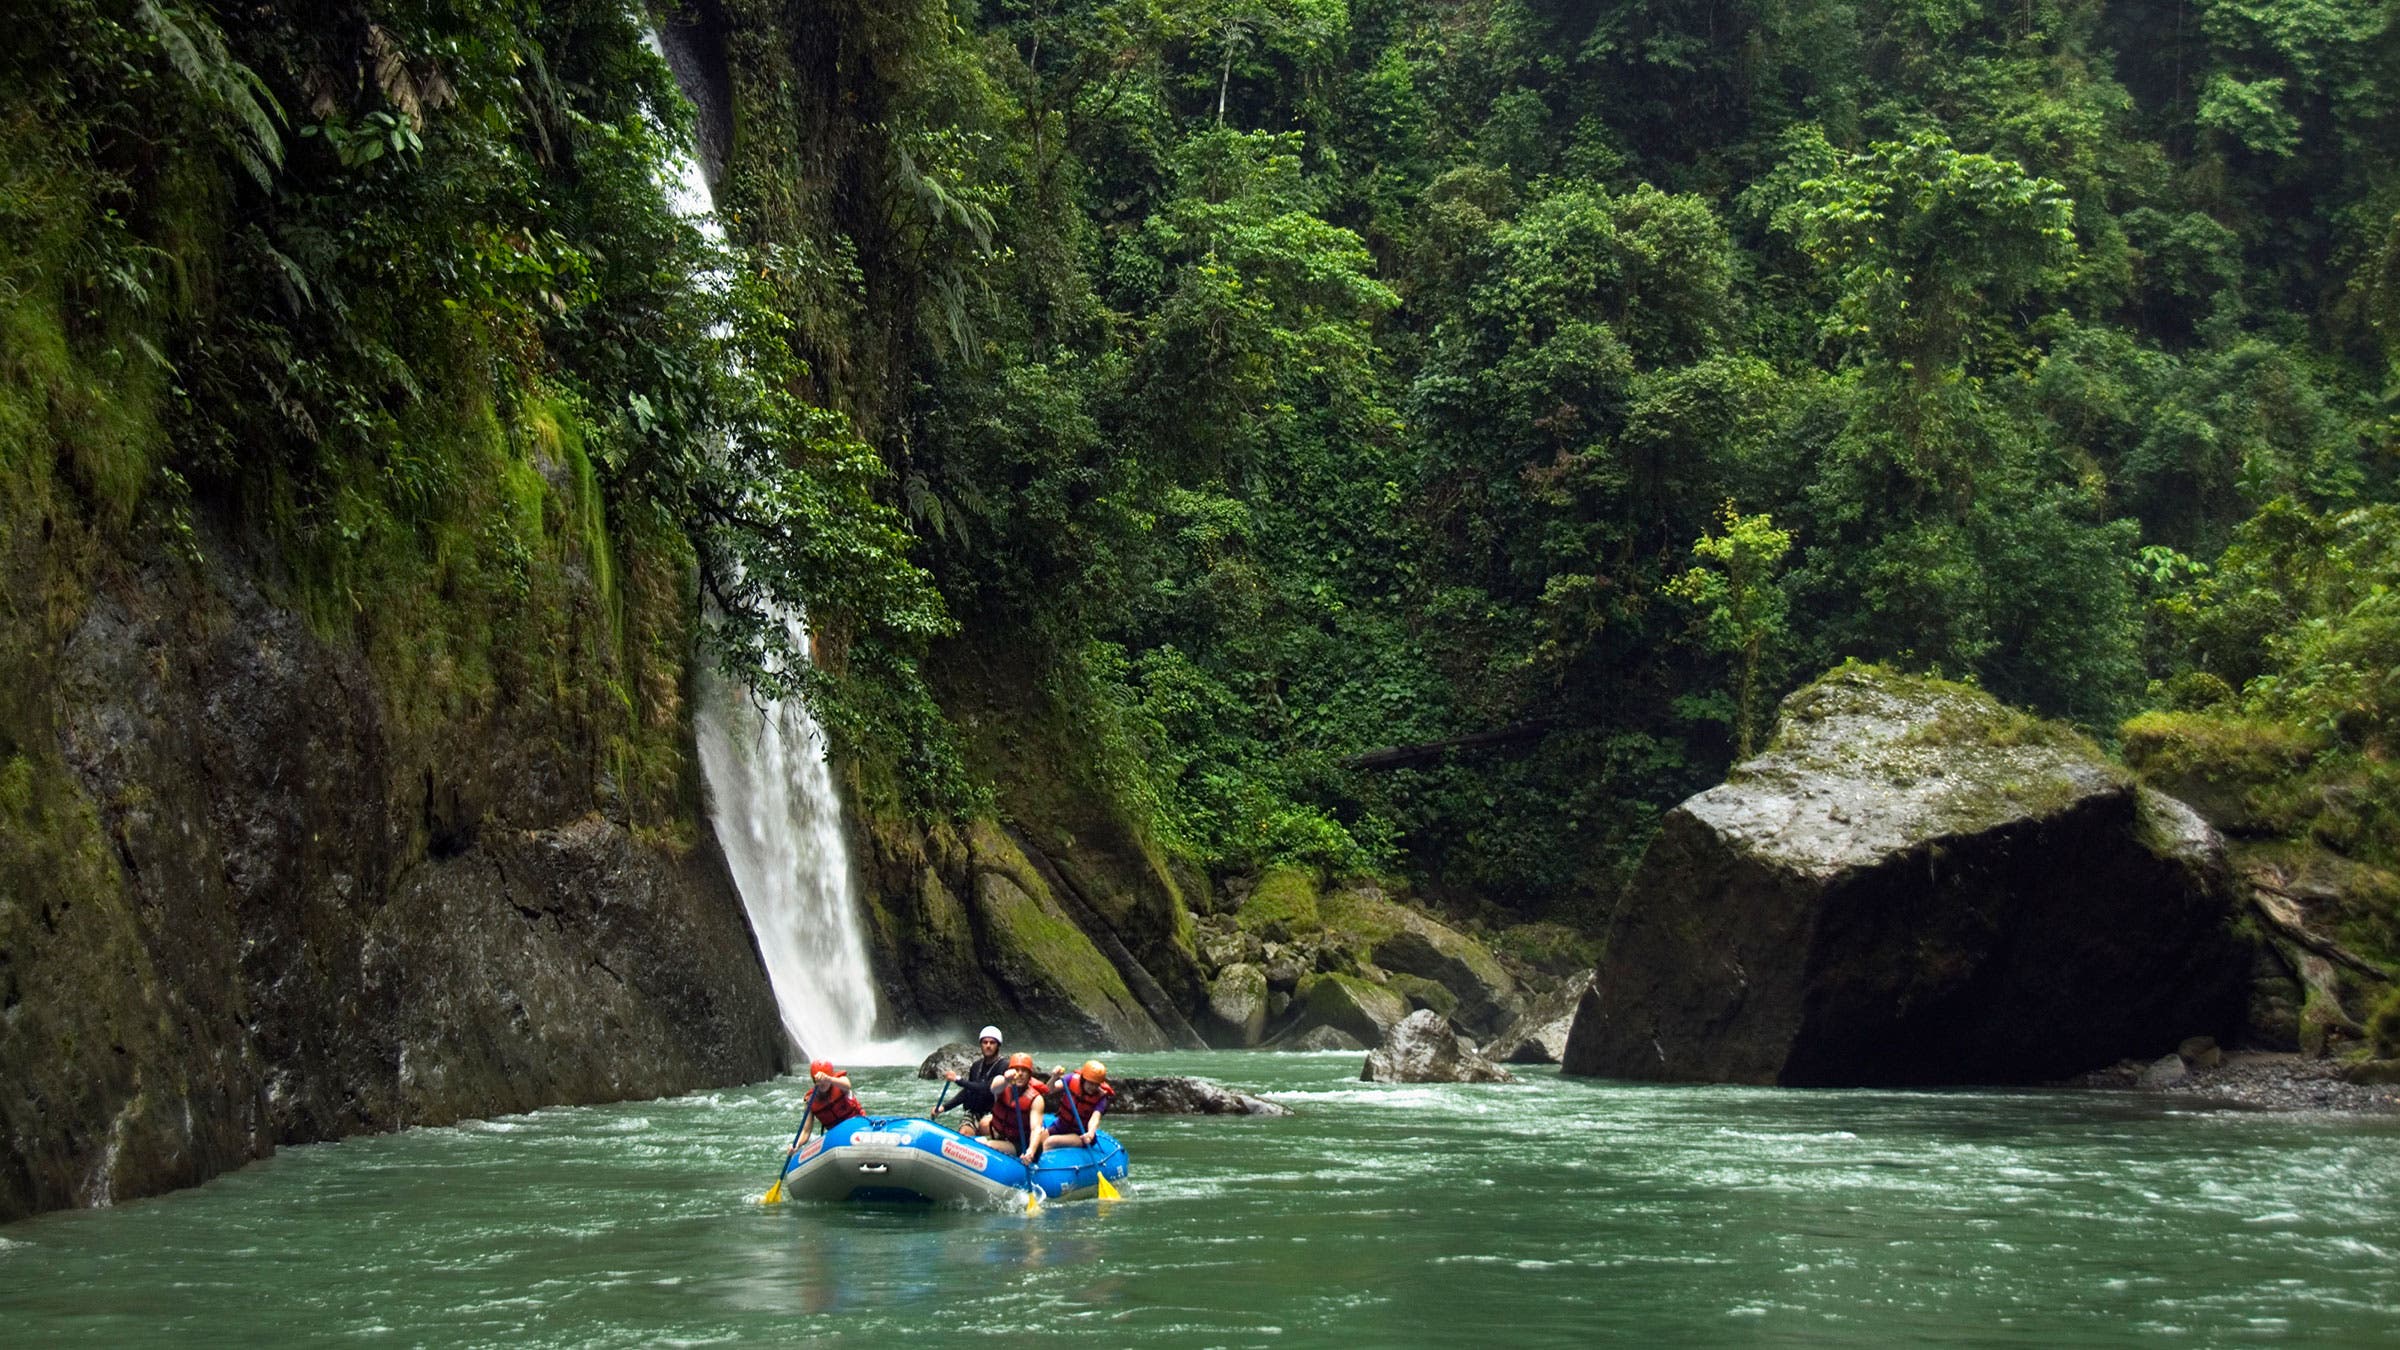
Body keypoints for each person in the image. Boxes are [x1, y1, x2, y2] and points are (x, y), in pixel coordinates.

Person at [936, 1026, 1007, 1136]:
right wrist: (944, 1107)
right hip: (974, 1113)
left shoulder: (1003, 1066)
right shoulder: (976, 1066)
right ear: (981, 1044)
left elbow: (986, 1088)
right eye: (985, 1042)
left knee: (985, 1126)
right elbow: (967, 1091)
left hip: (994, 1113)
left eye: (992, 1043)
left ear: (998, 1045)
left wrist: (958, 1079)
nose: (988, 1046)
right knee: (964, 1132)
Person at [984, 1051, 1049, 1161]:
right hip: (1002, 1136)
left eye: (1024, 1071)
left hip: (1022, 1144)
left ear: (1029, 1074)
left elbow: (1035, 1129)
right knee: (983, 1123)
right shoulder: (1001, 1083)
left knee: (989, 1145)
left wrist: (1031, 1151)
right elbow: (994, 1088)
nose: (1020, 1074)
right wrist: (1006, 1079)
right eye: (1017, 1070)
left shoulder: (1036, 1099)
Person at [1045, 1059, 1114, 1149]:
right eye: (1090, 1083)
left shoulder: (1101, 1098)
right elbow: (1049, 1090)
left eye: (1096, 1084)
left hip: (1081, 1134)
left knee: (1051, 1141)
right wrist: (1054, 1077)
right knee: (1037, 1138)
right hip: (1061, 1126)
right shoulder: (1071, 1079)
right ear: (1083, 1079)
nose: (1093, 1087)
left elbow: (1095, 1119)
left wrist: (1090, 1134)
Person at [801, 1059, 865, 1138]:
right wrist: (797, 1145)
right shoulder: (810, 1101)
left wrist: (827, 1078)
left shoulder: (840, 1082)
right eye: (819, 1081)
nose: (822, 1083)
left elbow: (848, 1085)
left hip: (858, 1124)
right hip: (836, 1135)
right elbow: (805, 1132)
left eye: (824, 1080)